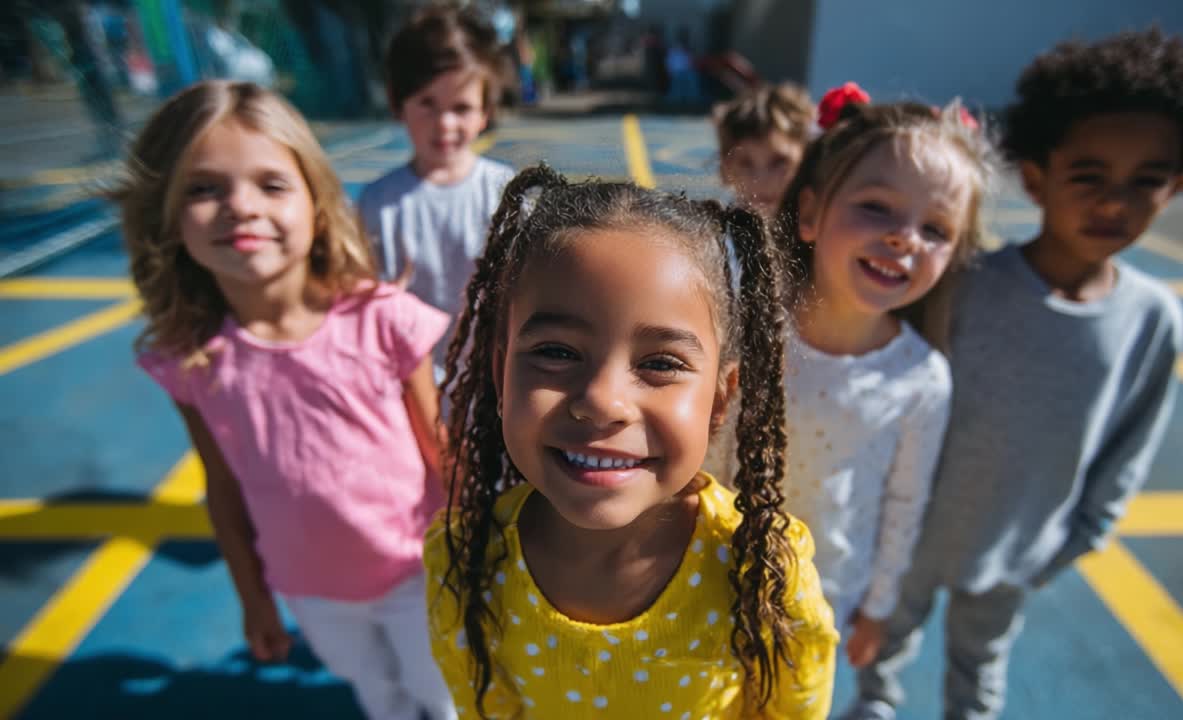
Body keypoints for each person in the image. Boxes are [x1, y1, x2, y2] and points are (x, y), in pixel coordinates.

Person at [852, 29, 1183, 720]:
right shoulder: (965, 285)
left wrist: (1072, 542)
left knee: (979, 679)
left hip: (1018, 554)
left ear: (1177, 186)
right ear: (1035, 177)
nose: (1113, 203)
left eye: (1145, 181)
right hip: (909, 537)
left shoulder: (1153, 319)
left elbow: (1127, 448)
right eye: (1088, 176)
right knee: (876, 656)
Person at [423, 164, 840, 719]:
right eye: (557, 352)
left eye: (661, 363)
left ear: (720, 398)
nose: (602, 400)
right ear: (501, 375)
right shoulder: (467, 559)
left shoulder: (760, 570)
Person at [115, 81, 457, 720]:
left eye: (270, 184)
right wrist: (253, 597)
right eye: (203, 187)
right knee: (377, 693)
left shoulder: (382, 321)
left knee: (440, 695)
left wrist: (482, 553)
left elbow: (441, 449)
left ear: (317, 204)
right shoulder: (195, 361)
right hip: (314, 592)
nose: (240, 207)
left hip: (420, 572)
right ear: (165, 212)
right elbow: (223, 487)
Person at [709, 84, 997, 690]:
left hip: (826, 599)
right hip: (713, 578)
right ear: (810, 213)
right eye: (877, 207)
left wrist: (879, 606)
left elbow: (904, 502)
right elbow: (707, 455)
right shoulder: (749, 326)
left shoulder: (921, 375)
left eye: (936, 229)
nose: (904, 237)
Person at [358, 4, 514, 377]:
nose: (444, 123)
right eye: (427, 104)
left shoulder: (505, 194)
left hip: (491, 383)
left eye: (461, 108)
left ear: (485, 112)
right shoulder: (377, 205)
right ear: (399, 103)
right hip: (408, 387)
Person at [711, 81, 815, 215]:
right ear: (725, 169)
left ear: (807, 160)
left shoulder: (829, 232)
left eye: (779, 162)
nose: (762, 180)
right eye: (745, 163)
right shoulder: (711, 233)